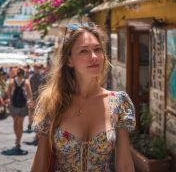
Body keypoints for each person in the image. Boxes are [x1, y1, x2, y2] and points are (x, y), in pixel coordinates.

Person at [31, 23, 136, 171]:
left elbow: (125, 164)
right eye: (84, 51)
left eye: (97, 49)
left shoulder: (118, 103)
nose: (94, 57)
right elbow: (40, 161)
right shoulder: (52, 102)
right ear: (69, 60)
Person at [7, 68, 33, 153]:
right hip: (23, 105)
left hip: (14, 105)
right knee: (20, 124)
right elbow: (29, 95)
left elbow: (8, 93)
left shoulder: (11, 81)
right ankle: (18, 140)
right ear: (23, 74)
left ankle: (17, 139)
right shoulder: (26, 82)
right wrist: (30, 103)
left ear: (16, 74)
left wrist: (10, 102)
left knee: (15, 122)